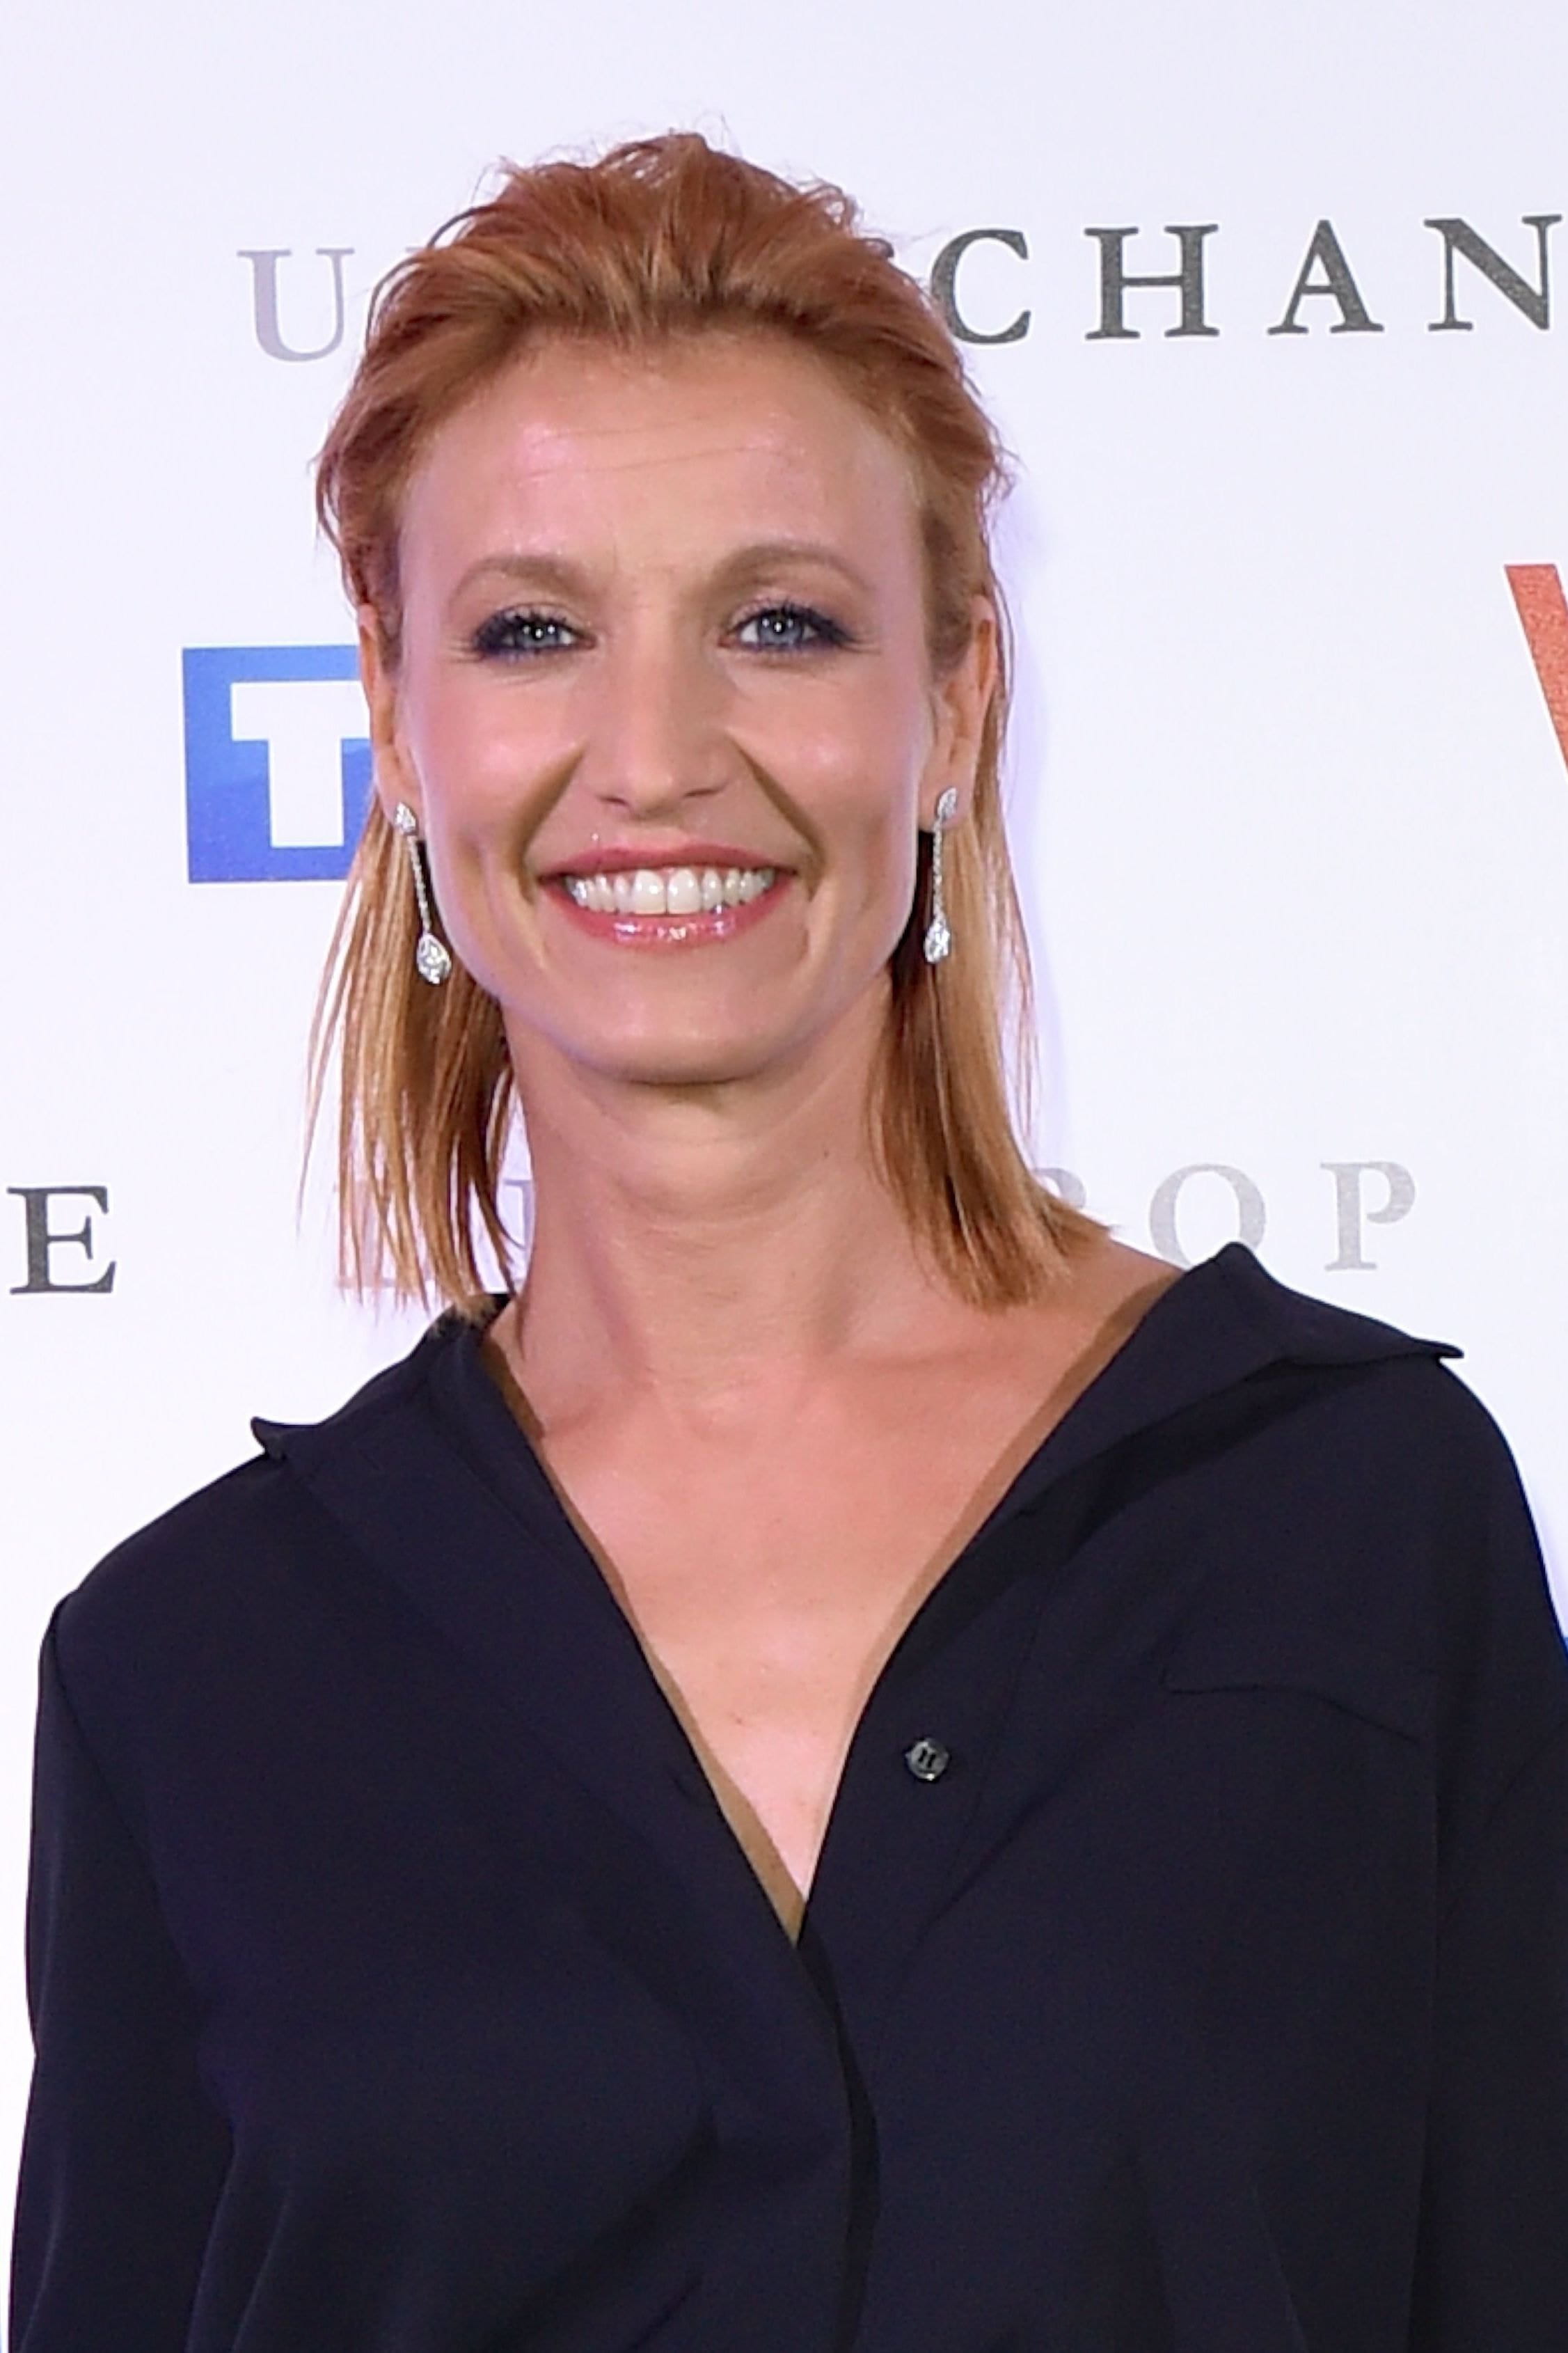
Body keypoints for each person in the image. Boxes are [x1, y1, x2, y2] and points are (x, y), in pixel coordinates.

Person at [10, 133, 1567, 2353]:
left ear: (953, 701)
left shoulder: (1351, 1518)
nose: (655, 755)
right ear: (394, 718)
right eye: (534, 632)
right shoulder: (190, 1670)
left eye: (780, 625)